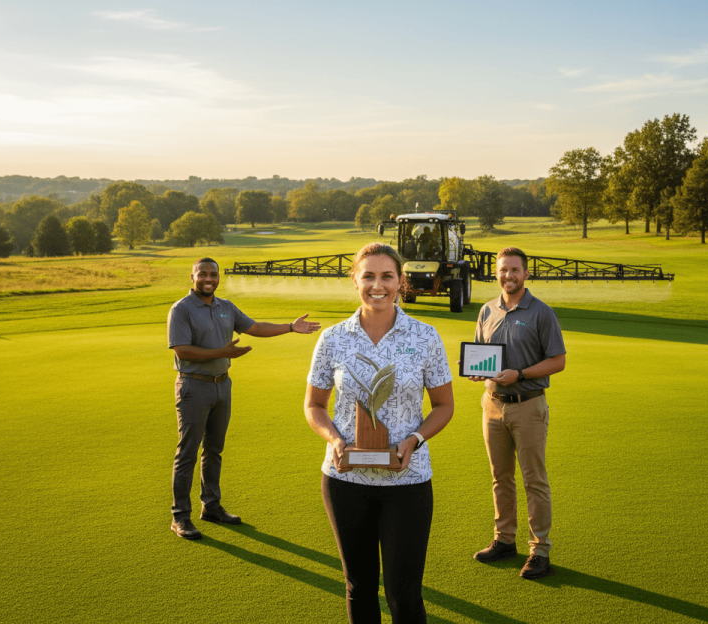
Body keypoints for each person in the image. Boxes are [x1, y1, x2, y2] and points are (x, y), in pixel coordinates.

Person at [305, 243, 454, 623]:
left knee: (404, 595)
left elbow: (444, 406)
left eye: (387, 276)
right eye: (368, 275)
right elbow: (314, 406)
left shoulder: (425, 336)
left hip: (407, 481)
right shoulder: (333, 338)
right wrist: (335, 440)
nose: (378, 285)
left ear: (400, 282)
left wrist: (414, 440)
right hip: (345, 479)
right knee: (360, 588)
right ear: (355, 280)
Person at [168, 257, 320, 540]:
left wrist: (290, 327)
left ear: (218, 277)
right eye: (203, 274)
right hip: (193, 387)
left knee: (214, 450)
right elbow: (181, 350)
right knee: (188, 452)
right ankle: (180, 517)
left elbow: (254, 328)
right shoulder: (182, 309)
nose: (208, 279)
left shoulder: (226, 307)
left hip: (222, 386)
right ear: (192, 277)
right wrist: (222, 353)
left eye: (213, 274)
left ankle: (211, 506)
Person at [469, 247, 565, 580]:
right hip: (492, 404)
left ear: (526, 274)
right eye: (502, 270)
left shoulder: (541, 313)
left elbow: (558, 361)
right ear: (495, 273)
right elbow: (484, 356)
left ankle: (540, 551)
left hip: (528, 405)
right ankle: (504, 540)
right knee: (501, 478)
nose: (508, 275)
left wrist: (520, 374)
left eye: (514, 270)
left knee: (534, 480)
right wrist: (476, 371)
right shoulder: (486, 310)